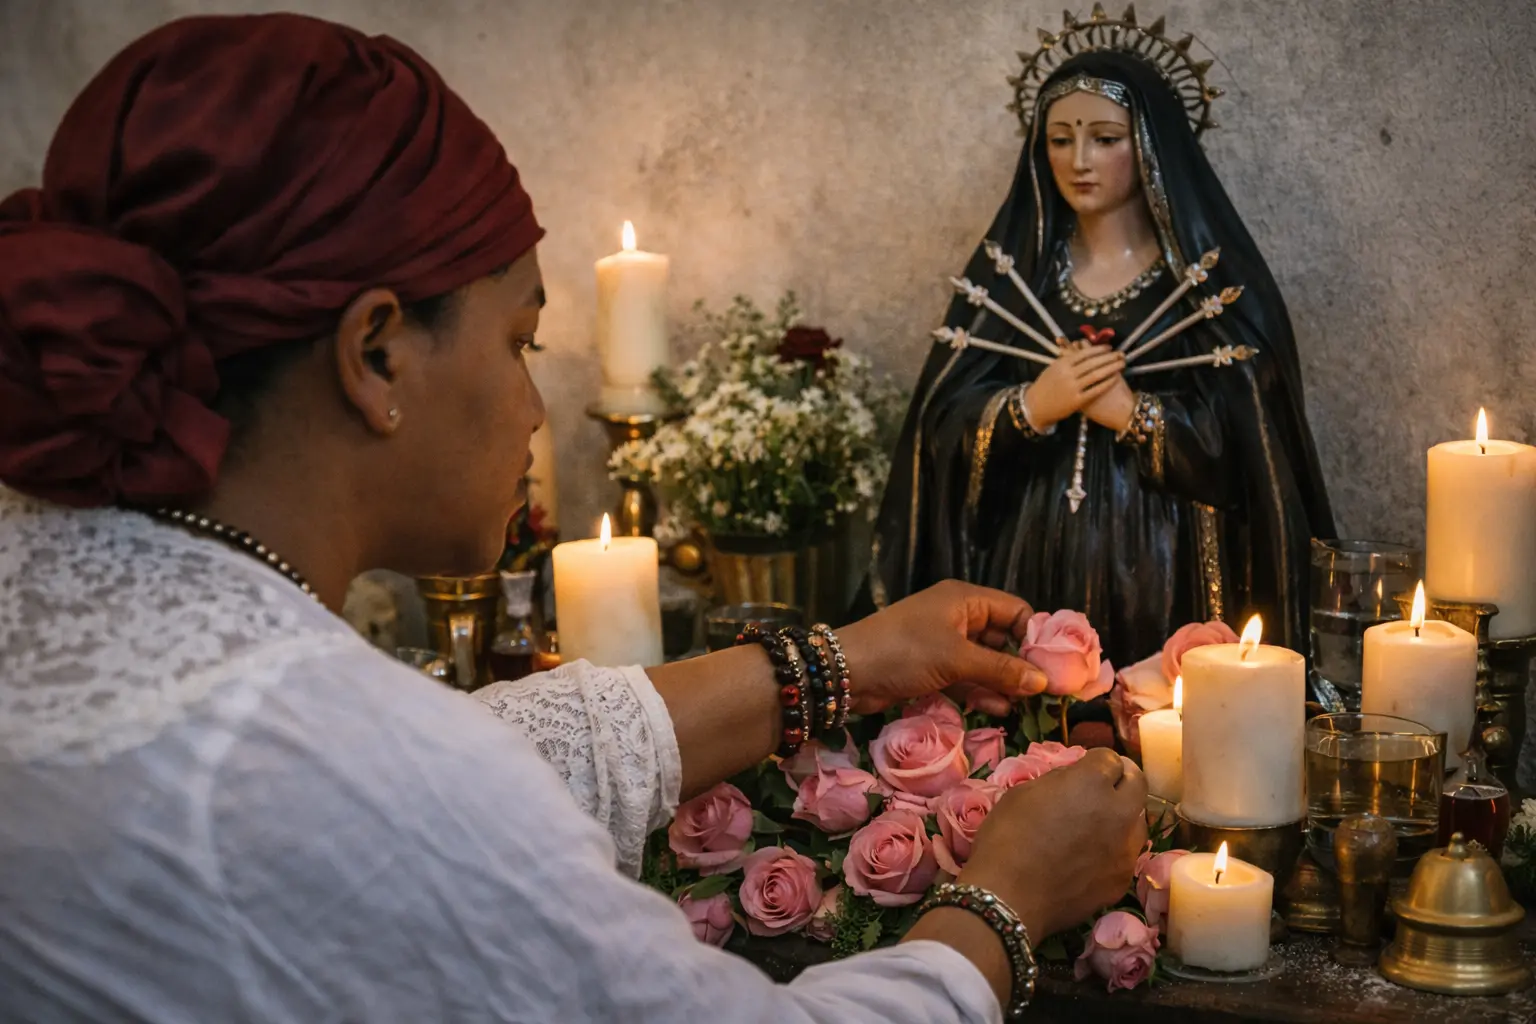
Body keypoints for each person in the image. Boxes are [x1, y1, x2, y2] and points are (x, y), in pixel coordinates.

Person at [0, 14, 1146, 1023]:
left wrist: (849, 659)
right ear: (376, 352)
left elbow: (494, 752)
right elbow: (426, 795)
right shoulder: (379, 788)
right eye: (518, 342)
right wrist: (1004, 901)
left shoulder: (58, 610)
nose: (531, 409)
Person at [864, 41, 1336, 668]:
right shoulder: (1020, 280)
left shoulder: (1205, 293)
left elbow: (1256, 459)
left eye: (1105, 138)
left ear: (1150, 146)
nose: (1079, 160)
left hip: (1166, 566)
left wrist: (1137, 415)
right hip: (1032, 552)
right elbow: (941, 431)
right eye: (1060, 140)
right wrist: (1030, 406)